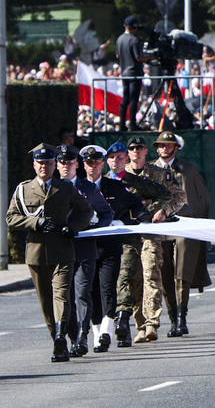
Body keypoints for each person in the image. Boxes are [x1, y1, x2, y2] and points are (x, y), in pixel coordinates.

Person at [6, 143, 93, 362]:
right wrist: (35, 222)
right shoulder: (23, 189)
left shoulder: (65, 188)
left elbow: (86, 211)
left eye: (48, 163)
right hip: (35, 252)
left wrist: (72, 227)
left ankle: (60, 338)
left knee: (61, 295)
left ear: (55, 165)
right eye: (40, 163)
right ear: (34, 164)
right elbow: (11, 218)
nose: (44, 167)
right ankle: (56, 338)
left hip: (62, 250)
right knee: (46, 302)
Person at [80, 144, 148, 353]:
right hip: (85, 247)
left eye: (97, 162)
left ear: (102, 164)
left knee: (108, 288)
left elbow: (137, 206)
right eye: (89, 162)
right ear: (84, 165)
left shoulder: (114, 186)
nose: (93, 166)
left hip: (109, 246)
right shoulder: (77, 188)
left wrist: (129, 221)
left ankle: (107, 330)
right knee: (89, 291)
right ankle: (97, 332)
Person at [124, 136, 187, 342]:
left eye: (139, 148)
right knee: (134, 278)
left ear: (145, 152)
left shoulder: (159, 174)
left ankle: (152, 324)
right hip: (129, 235)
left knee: (151, 273)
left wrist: (164, 211)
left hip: (151, 232)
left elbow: (179, 196)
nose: (136, 151)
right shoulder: (119, 175)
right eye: (132, 148)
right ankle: (140, 325)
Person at [55, 144, 114, 358]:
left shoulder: (87, 188)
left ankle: (82, 336)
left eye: (70, 163)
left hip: (84, 249)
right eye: (62, 163)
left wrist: (95, 229)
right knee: (65, 296)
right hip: (60, 250)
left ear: (76, 165)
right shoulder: (51, 188)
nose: (66, 167)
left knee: (82, 294)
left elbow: (107, 212)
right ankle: (70, 337)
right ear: (56, 165)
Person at [152, 131, 212, 338]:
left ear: (176, 148)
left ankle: (182, 318)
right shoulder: (151, 170)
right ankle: (172, 318)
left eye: (169, 145)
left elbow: (203, 198)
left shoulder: (188, 169)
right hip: (160, 228)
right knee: (165, 273)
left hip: (184, 226)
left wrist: (200, 225)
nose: (165, 149)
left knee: (182, 273)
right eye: (161, 145)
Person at [116, 16, 148, 131]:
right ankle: (133, 124)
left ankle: (121, 124)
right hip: (134, 73)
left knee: (125, 99)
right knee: (134, 99)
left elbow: (118, 56)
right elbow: (138, 57)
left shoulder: (119, 39)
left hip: (124, 73)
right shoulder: (134, 40)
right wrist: (150, 57)